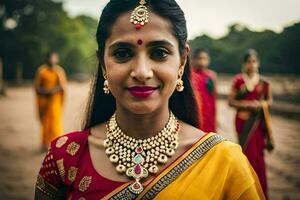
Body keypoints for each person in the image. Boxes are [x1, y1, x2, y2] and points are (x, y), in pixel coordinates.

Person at [35, 1, 265, 199]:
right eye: (123, 53)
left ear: (182, 61)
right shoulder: (64, 158)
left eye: (160, 53)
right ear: (103, 64)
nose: (142, 72)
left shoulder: (225, 163)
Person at [228, 49, 274, 199]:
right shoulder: (239, 81)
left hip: (258, 124)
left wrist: (261, 104)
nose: (251, 64)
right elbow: (231, 102)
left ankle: (260, 192)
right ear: (244, 64)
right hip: (243, 122)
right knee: (246, 155)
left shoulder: (264, 83)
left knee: (258, 157)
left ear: (258, 63)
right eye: (248, 61)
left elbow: (269, 101)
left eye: (254, 61)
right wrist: (248, 105)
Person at [35, 52, 67, 150]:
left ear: (57, 60)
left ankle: (56, 144)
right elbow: (37, 87)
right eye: (50, 58)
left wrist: (52, 91)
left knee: (55, 122)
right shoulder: (42, 71)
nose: (52, 60)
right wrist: (45, 91)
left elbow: (62, 87)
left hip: (55, 101)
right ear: (47, 59)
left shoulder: (59, 71)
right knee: (45, 123)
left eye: (54, 58)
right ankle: (44, 143)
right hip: (44, 102)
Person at [191, 48, 217, 132]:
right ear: (193, 60)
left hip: (209, 114)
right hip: (197, 114)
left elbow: (214, 98)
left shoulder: (212, 76)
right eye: (199, 58)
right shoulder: (191, 75)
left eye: (204, 59)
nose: (202, 61)